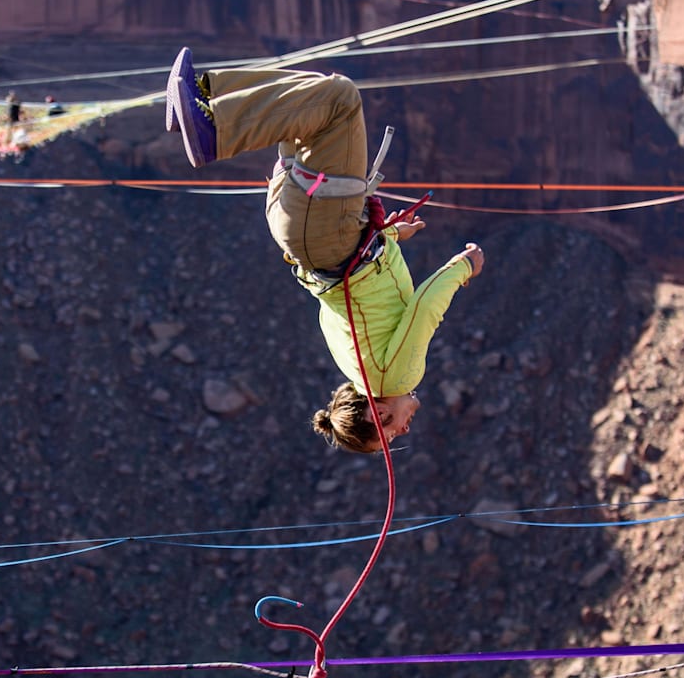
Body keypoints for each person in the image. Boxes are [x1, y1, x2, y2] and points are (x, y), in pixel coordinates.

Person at [165, 47, 485, 454]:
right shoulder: (354, 368)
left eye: (387, 436)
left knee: (339, 101)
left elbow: (426, 309)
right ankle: (205, 99)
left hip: (325, 229)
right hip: (301, 232)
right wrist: (387, 239)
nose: (402, 433)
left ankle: (212, 134)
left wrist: (464, 268)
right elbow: (356, 294)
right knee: (310, 106)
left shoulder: (395, 381)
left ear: (376, 416)